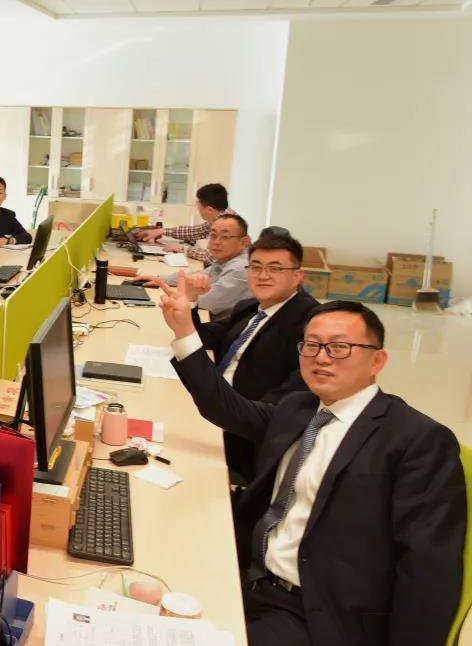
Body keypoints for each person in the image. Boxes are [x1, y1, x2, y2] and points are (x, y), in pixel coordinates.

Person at [157, 285, 465, 646]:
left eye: (339, 347)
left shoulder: (416, 440)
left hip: (315, 613)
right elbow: (227, 408)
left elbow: (428, 571)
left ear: (377, 361)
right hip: (247, 576)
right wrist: (184, 331)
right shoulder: (299, 408)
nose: (322, 358)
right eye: (312, 346)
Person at [190, 230, 319, 482]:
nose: (263, 275)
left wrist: (220, 408)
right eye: (256, 267)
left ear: (297, 276)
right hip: (213, 406)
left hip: (242, 434)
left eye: (275, 269)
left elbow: (285, 403)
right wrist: (190, 303)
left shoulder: (310, 325)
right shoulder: (251, 308)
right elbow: (205, 337)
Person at [140, 214, 250, 319]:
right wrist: (161, 279)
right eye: (213, 235)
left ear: (244, 242)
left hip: (221, 329)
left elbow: (207, 301)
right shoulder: (226, 259)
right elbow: (198, 276)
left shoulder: (241, 268)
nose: (216, 242)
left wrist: (169, 294)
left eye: (225, 237)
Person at [141, 183, 236, 266]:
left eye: (199, 207)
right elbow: (197, 231)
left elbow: (212, 257)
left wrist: (182, 248)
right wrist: (161, 231)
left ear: (209, 210)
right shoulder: (222, 215)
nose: (199, 211)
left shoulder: (227, 225)